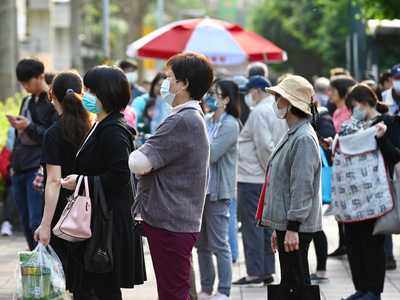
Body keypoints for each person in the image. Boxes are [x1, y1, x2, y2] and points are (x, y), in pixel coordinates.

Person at [129, 52, 213, 300]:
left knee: (172, 293)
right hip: (176, 220)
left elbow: (139, 162)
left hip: (171, 221)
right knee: (175, 290)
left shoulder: (182, 120)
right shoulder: (189, 117)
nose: (166, 83)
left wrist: (138, 148)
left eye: (170, 77)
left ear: (184, 83)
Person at [60, 66, 142, 299]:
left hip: (107, 224)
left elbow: (119, 176)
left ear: (104, 94)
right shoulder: (100, 124)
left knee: (101, 287)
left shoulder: (113, 130)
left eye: (89, 90)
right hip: (96, 219)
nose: (84, 95)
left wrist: (80, 181)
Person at [256, 74, 322, 288]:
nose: (276, 103)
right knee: (291, 283)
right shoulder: (293, 133)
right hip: (288, 224)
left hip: (297, 226)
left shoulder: (303, 138)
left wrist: (292, 227)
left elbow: (302, 187)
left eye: (280, 98)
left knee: (298, 284)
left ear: (291, 103)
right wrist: (279, 227)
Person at [339, 84, 400, 300]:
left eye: (353, 106)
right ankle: (361, 288)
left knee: (371, 244)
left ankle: (373, 291)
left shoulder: (389, 123)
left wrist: (382, 138)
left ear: (365, 103)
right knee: (354, 243)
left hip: (376, 195)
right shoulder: (352, 126)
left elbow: (395, 156)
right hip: (353, 198)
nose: (352, 111)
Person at [33, 71, 92, 281]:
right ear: (82, 94)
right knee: (88, 279)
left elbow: (53, 182)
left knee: (62, 279)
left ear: (51, 95)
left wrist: (45, 225)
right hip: (91, 211)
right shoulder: (94, 127)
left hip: (62, 215)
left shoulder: (54, 133)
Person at [234, 75, 287, 286]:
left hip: (253, 177)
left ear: (257, 90)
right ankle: (266, 270)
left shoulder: (259, 112)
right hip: (266, 176)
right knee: (266, 226)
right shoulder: (275, 109)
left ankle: (256, 272)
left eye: (249, 91)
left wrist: (270, 172)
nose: (248, 96)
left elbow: (264, 146)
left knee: (252, 227)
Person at [197, 80, 240, 300]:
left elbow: (211, 154)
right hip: (200, 192)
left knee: (219, 243)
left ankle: (224, 290)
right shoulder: (206, 120)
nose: (211, 97)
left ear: (226, 99)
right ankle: (206, 288)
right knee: (201, 245)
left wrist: (193, 145)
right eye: (210, 92)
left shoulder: (231, 124)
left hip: (218, 192)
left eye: (216, 94)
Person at [9, 58, 57, 250]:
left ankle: (45, 263)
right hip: (20, 166)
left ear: (40, 77)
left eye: (28, 82)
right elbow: (18, 137)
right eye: (22, 84)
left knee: (36, 221)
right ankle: (35, 262)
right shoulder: (26, 101)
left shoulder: (52, 101)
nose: (25, 87)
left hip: (37, 168)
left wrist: (28, 126)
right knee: (25, 221)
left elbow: (52, 136)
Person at [328, 75, 356, 258]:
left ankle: (349, 242)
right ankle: (342, 243)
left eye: (333, 90)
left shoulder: (349, 112)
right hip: (336, 162)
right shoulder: (336, 112)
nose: (330, 94)